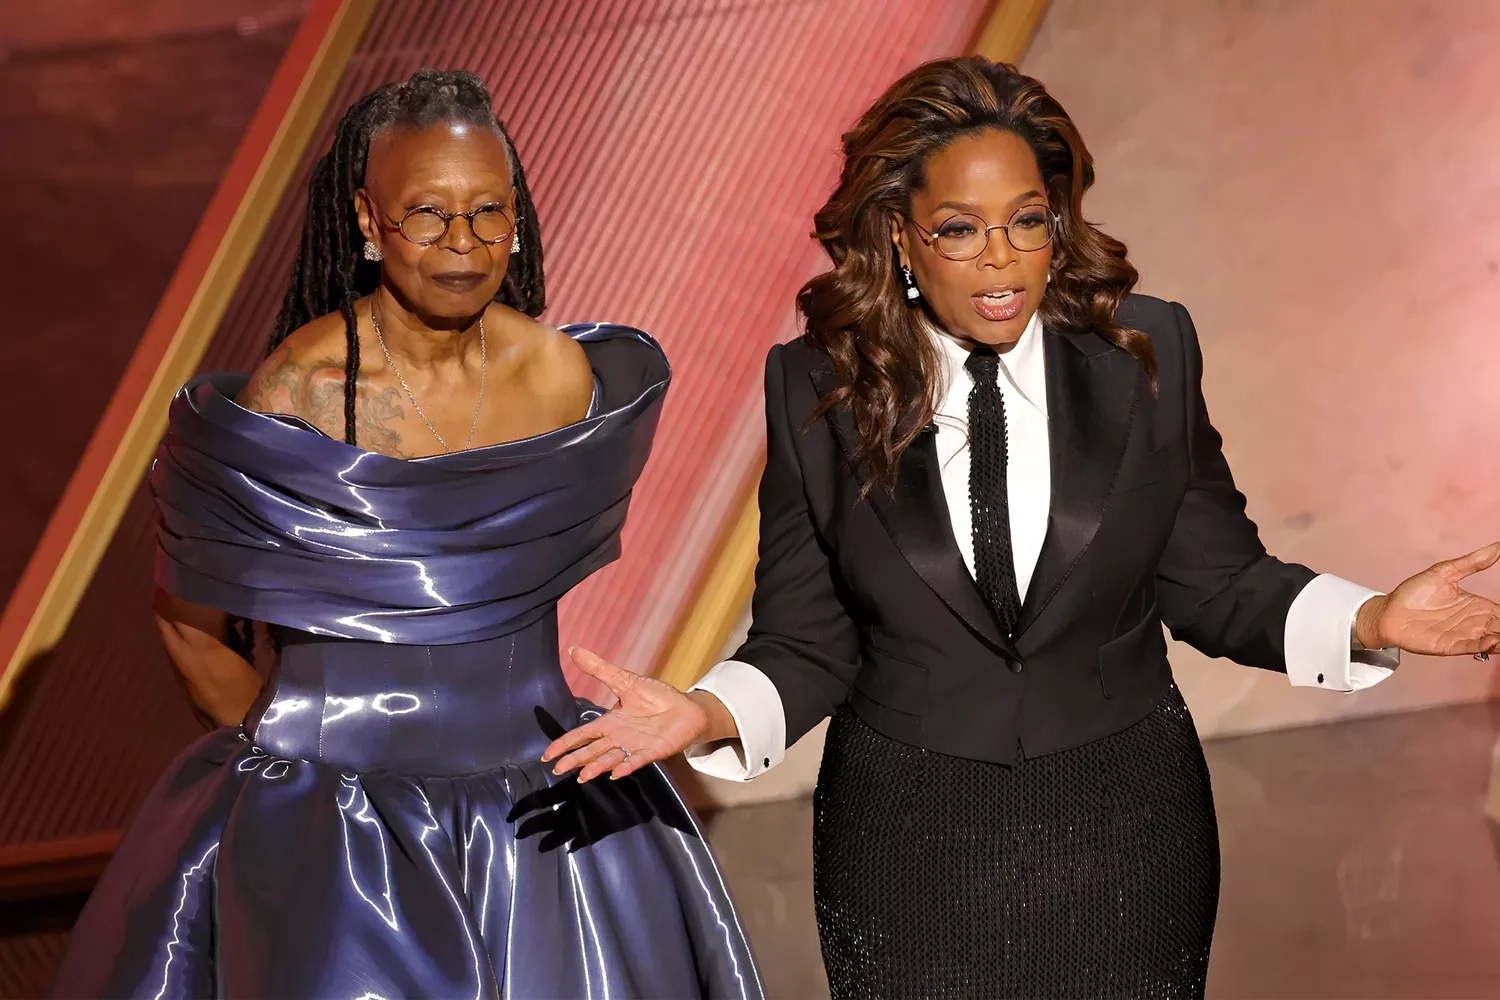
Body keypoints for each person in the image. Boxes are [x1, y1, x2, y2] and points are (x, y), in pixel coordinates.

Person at [542, 57, 1500, 998]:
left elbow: (1215, 582)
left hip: (1126, 836)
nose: (1002, 259)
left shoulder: (1146, 349)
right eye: (959, 230)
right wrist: (701, 713)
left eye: (1027, 222)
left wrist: (1375, 618)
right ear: (900, 240)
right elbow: (809, 636)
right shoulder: (819, 387)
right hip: (905, 849)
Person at [51, 70, 762, 1000]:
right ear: (367, 220)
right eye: (427, 215)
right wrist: (300, 775)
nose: (462, 246)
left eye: (488, 213)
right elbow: (191, 626)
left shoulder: (563, 380)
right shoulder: (297, 394)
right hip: (343, 838)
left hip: (543, 816)